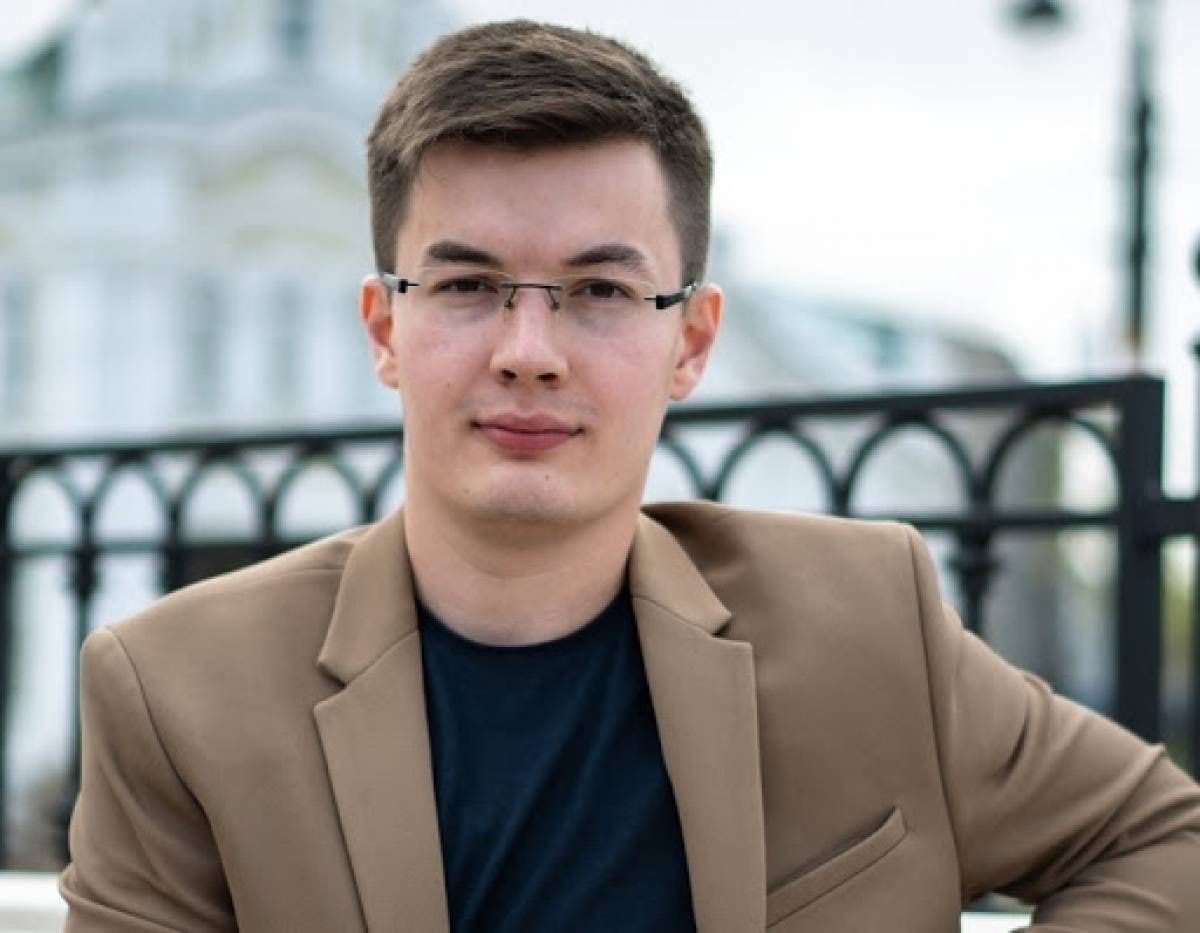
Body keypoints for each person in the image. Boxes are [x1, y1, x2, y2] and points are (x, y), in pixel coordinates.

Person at [59, 19, 1200, 933]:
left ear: (690, 342)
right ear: (384, 327)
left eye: (601, 291)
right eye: (467, 285)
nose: (529, 351)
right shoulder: (175, 691)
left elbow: (1164, 838)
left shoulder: (865, 621)